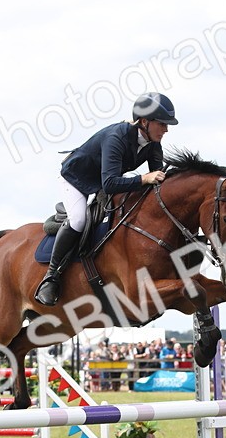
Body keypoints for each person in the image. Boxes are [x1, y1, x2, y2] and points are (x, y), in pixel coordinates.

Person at [34, 92, 178, 307]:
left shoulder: (153, 142)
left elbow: (156, 180)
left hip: (101, 181)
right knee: (79, 220)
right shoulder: (116, 138)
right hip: (75, 178)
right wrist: (144, 178)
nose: (166, 129)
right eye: (162, 124)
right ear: (145, 122)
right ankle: (51, 277)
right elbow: (111, 183)